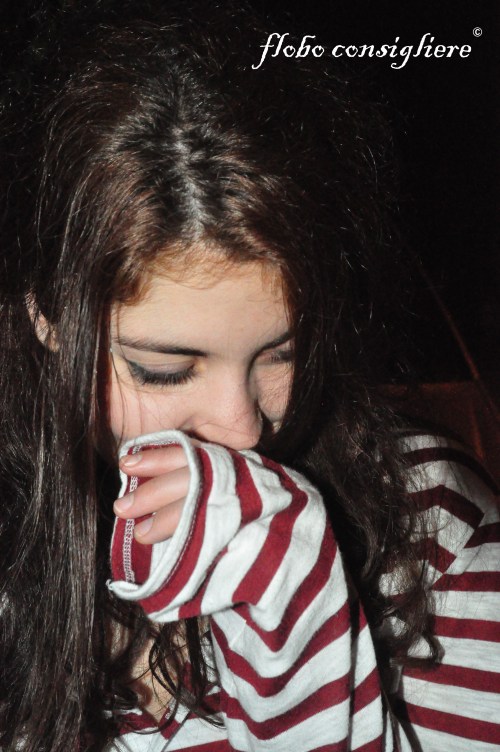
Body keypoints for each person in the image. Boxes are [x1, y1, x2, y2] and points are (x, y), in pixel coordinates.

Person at [0, 1, 498, 750]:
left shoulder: (437, 531)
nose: (242, 428)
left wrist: (296, 597)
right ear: (46, 320)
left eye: (284, 352)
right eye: (163, 370)